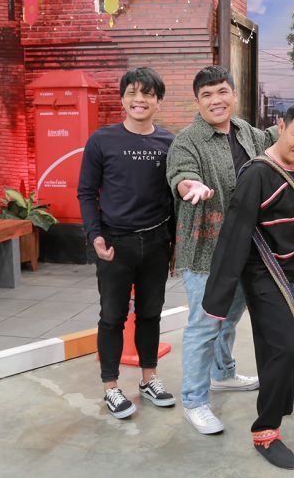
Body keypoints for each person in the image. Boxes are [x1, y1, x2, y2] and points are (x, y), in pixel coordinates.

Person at [202, 102, 294, 470]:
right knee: (281, 348)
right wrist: (217, 300)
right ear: (280, 127)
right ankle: (266, 431)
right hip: (265, 274)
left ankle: (290, 382)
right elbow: (234, 234)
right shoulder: (258, 173)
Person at [166, 66, 275, 434]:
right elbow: (181, 175)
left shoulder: (246, 132)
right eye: (207, 95)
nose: (216, 100)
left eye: (222, 91)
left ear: (234, 94)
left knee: (229, 316)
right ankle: (194, 402)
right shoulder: (188, 140)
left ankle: (222, 373)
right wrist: (190, 186)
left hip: (247, 248)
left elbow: (274, 142)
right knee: (204, 324)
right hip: (205, 250)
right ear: (197, 102)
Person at [78, 67, 176, 419]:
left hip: (157, 241)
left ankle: (149, 379)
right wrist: (95, 236)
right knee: (112, 316)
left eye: (148, 94)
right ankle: (111, 387)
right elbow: (86, 192)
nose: (140, 100)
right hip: (114, 244)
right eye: (132, 93)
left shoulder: (169, 143)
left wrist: (174, 244)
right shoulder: (102, 140)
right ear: (122, 99)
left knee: (150, 313)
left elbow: (173, 197)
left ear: (158, 101)